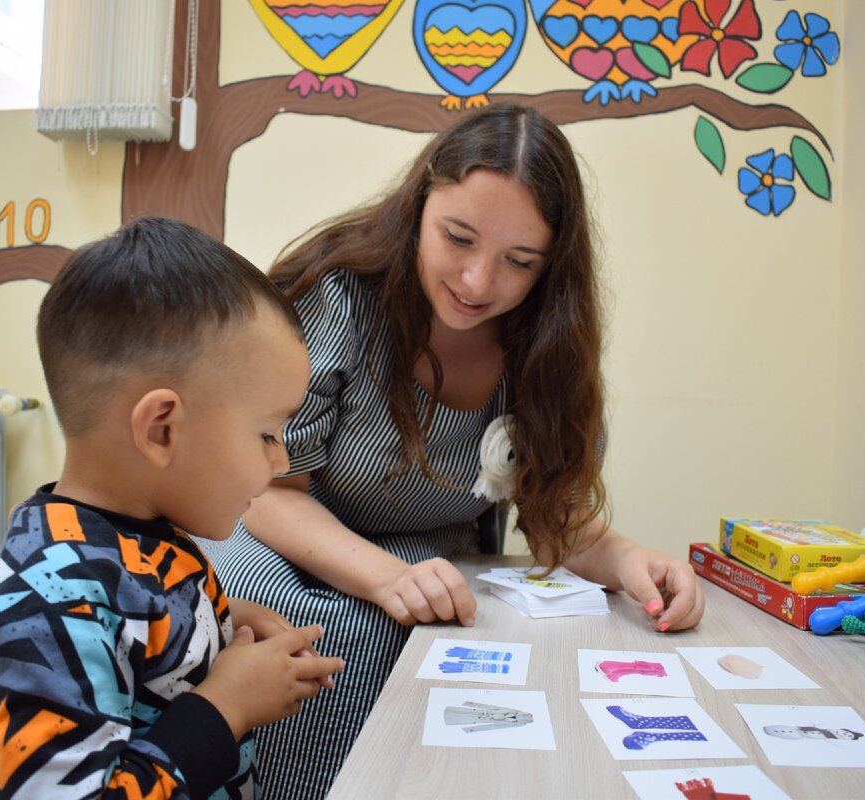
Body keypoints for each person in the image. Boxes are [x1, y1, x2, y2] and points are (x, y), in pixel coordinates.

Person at [202, 103, 706, 798]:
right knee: (302, 616)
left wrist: (628, 559)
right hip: (276, 535)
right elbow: (266, 489)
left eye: (518, 262)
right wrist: (380, 576)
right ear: (418, 206)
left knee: (446, 623)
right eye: (458, 238)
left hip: (430, 554)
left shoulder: (545, 343)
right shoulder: (339, 297)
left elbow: (551, 513)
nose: (477, 282)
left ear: (549, 265)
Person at [0, 217, 345, 799]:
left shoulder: (139, 531)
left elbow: (134, 623)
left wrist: (218, 623)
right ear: (162, 429)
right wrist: (226, 707)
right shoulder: (49, 608)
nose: (281, 462)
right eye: (268, 434)